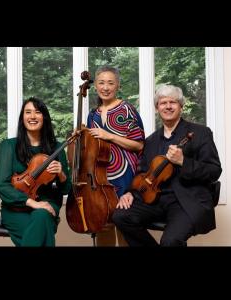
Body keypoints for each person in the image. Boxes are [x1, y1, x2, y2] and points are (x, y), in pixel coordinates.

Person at [112, 84, 222, 247]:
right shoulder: (151, 141)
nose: (168, 106)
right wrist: (130, 193)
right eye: (163, 103)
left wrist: (184, 162)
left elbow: (214, 170)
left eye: (173, 102)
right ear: (157, 108)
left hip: (186, 201)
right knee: (120, 216)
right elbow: (142, 173)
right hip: (156, 201)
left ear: (181, 107)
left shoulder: (200, 133)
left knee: (170, 241)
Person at [0, 97, 71, 247]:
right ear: (22, 117)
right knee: (41, 234)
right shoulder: (9, 146)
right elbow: (2, 185)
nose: (32, 116)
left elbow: (66, 189)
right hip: (16, 209)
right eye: (28, 112)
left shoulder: (57, 148)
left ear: (45, 117)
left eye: (37, 112)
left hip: (47, 204)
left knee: (42, 216)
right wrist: (31, 203)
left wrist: (61, 174)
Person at [87, 65, 145, 246]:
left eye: (110, 83)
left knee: (124, 225)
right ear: (95, 85)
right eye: (101, 83)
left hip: (125, 176)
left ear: (117, 85)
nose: (105, 87)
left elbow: (139, 144)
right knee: (103, 225)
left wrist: (109, 136)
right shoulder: (92, 115)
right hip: (101, 179)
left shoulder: (127, 109)